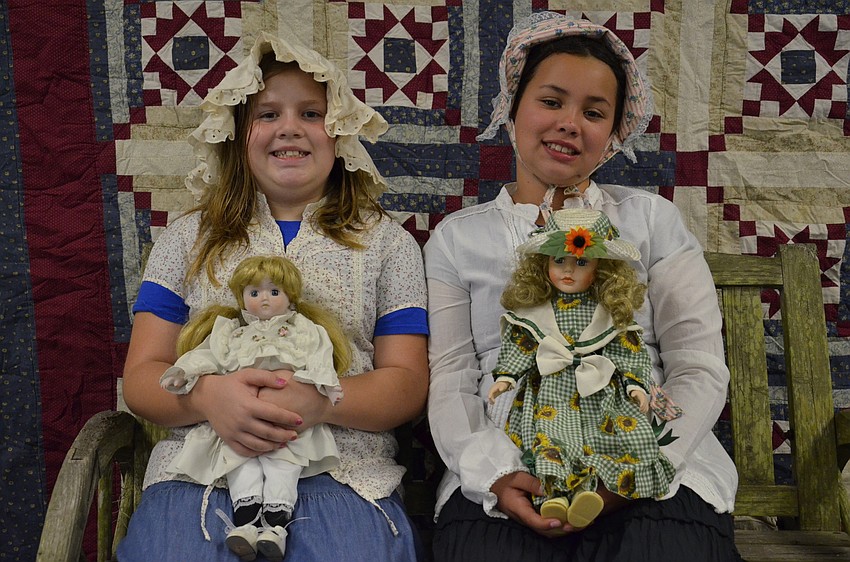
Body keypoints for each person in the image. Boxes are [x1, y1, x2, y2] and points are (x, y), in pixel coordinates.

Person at [423, 12, 742, 562]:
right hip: (509, 472)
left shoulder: (650, 222)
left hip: (651, 468)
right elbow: (452, 377)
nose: (571, 123)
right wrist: (495, 474)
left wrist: (635, 470)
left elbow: (697, 365)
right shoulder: (457, 240)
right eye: (552, 101)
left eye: (593, 112)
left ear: (614, 132)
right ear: (512, 108)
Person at [118, 32, 429, 562]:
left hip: (343, 472)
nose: (290, 127)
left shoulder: (387, 243)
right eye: (267, 115)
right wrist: (206, 398)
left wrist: (319, 401)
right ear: (238, 137)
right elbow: (141, 380)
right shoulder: (186, 240)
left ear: (340, 135)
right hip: (199, 473)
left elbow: (405, 384)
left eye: (311, 114)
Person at [487, 208, 676, 530]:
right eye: (559, 261)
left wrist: (635, 385)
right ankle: (555, 497)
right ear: (543, 264)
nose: (568, 271)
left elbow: (626, 351)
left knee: (617, 438)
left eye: (582, 262)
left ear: (602, 270)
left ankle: (595, 495)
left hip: (601, 394)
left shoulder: (607, 311)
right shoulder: (535, 310)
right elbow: (521, 346)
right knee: (551, 439)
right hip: (550, 393)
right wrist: (506, 377)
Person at [160, 255, 351, 560]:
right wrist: (184, 372)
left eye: (274, 292)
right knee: (239, 460)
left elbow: (319, 355)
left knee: (285, 462)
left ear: (290, 297)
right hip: (235, 423)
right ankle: (246, 523)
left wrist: (323, 384)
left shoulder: (304, 329)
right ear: (242, 298)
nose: (264, 300)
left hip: (291, 423)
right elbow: (208, 355)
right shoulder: (231, 333)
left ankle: (276, 527)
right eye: (254, 293)